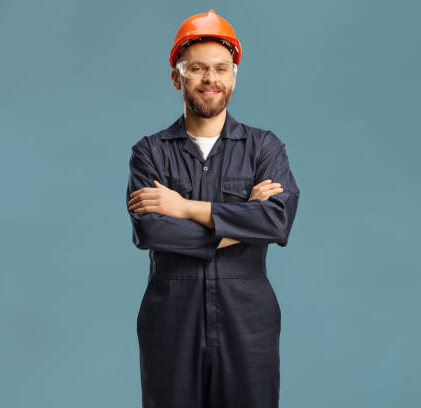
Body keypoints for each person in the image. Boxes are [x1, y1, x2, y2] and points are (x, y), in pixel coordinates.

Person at [126, 9, 300, 408]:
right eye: (198, 69)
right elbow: (151, 232)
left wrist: (184, 208)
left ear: (233, 76)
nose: (211, 79)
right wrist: (243, 223)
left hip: (248, 318)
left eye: (221, 69)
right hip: (171, 316)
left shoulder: (264, 147)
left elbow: (277, 220)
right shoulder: (149, 152)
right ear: (176, 77)